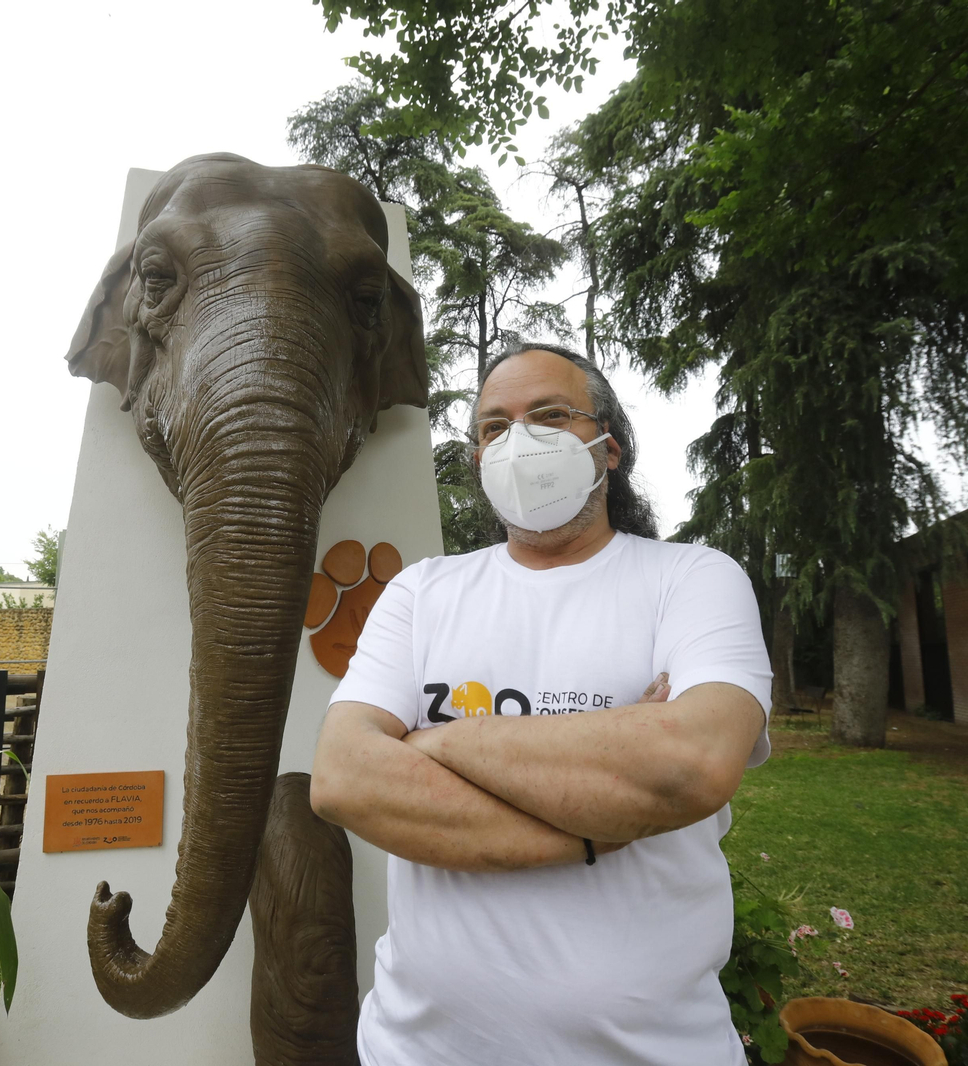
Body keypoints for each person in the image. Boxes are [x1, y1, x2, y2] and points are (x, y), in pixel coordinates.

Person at [311, 342, 772, 1066]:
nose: (519, 440)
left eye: (550, 415)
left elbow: (690, 764)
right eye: (494, 427)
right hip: (415, 1051)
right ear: (475, 457)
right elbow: (343, 778)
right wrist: (596, 826)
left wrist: (438, 743)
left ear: (608, 448)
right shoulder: (422, 592)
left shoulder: (692, 580)